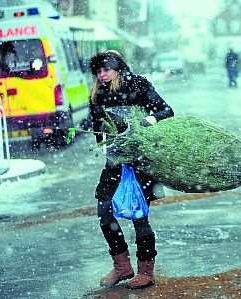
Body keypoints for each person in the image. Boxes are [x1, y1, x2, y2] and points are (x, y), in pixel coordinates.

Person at [89, 50, 174, 289]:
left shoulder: (138, 85)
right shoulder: (97, 95)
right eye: (98, 71)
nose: (102, 75)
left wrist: (148, 121)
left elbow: (166, 111)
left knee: (139, 216)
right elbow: (97, 127)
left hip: (140, 162)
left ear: (117, 68)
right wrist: (104, 141)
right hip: (115, 162)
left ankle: (146, 271)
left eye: (106, 69)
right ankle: (122, 267)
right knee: (104, 211)